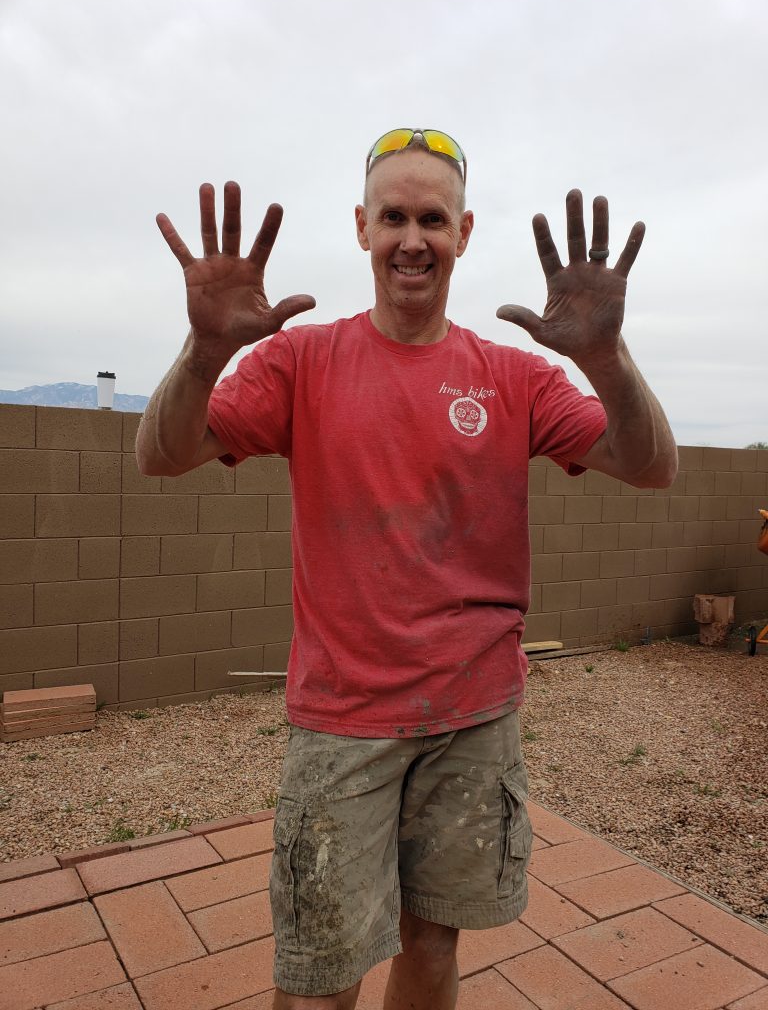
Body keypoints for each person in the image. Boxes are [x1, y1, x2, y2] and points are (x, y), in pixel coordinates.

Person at [136, 128, 677, 1010]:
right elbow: (162, 454)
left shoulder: (514, 376)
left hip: (475, 717)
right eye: (395, 217)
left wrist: (607, 359)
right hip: (342, 722)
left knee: (431, 947)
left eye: (434, 217)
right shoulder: (301, 361)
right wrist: (205, 352)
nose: (413, 238)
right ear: (362, 228)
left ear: (464, 233)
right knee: (320, 975)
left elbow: (650, 464)